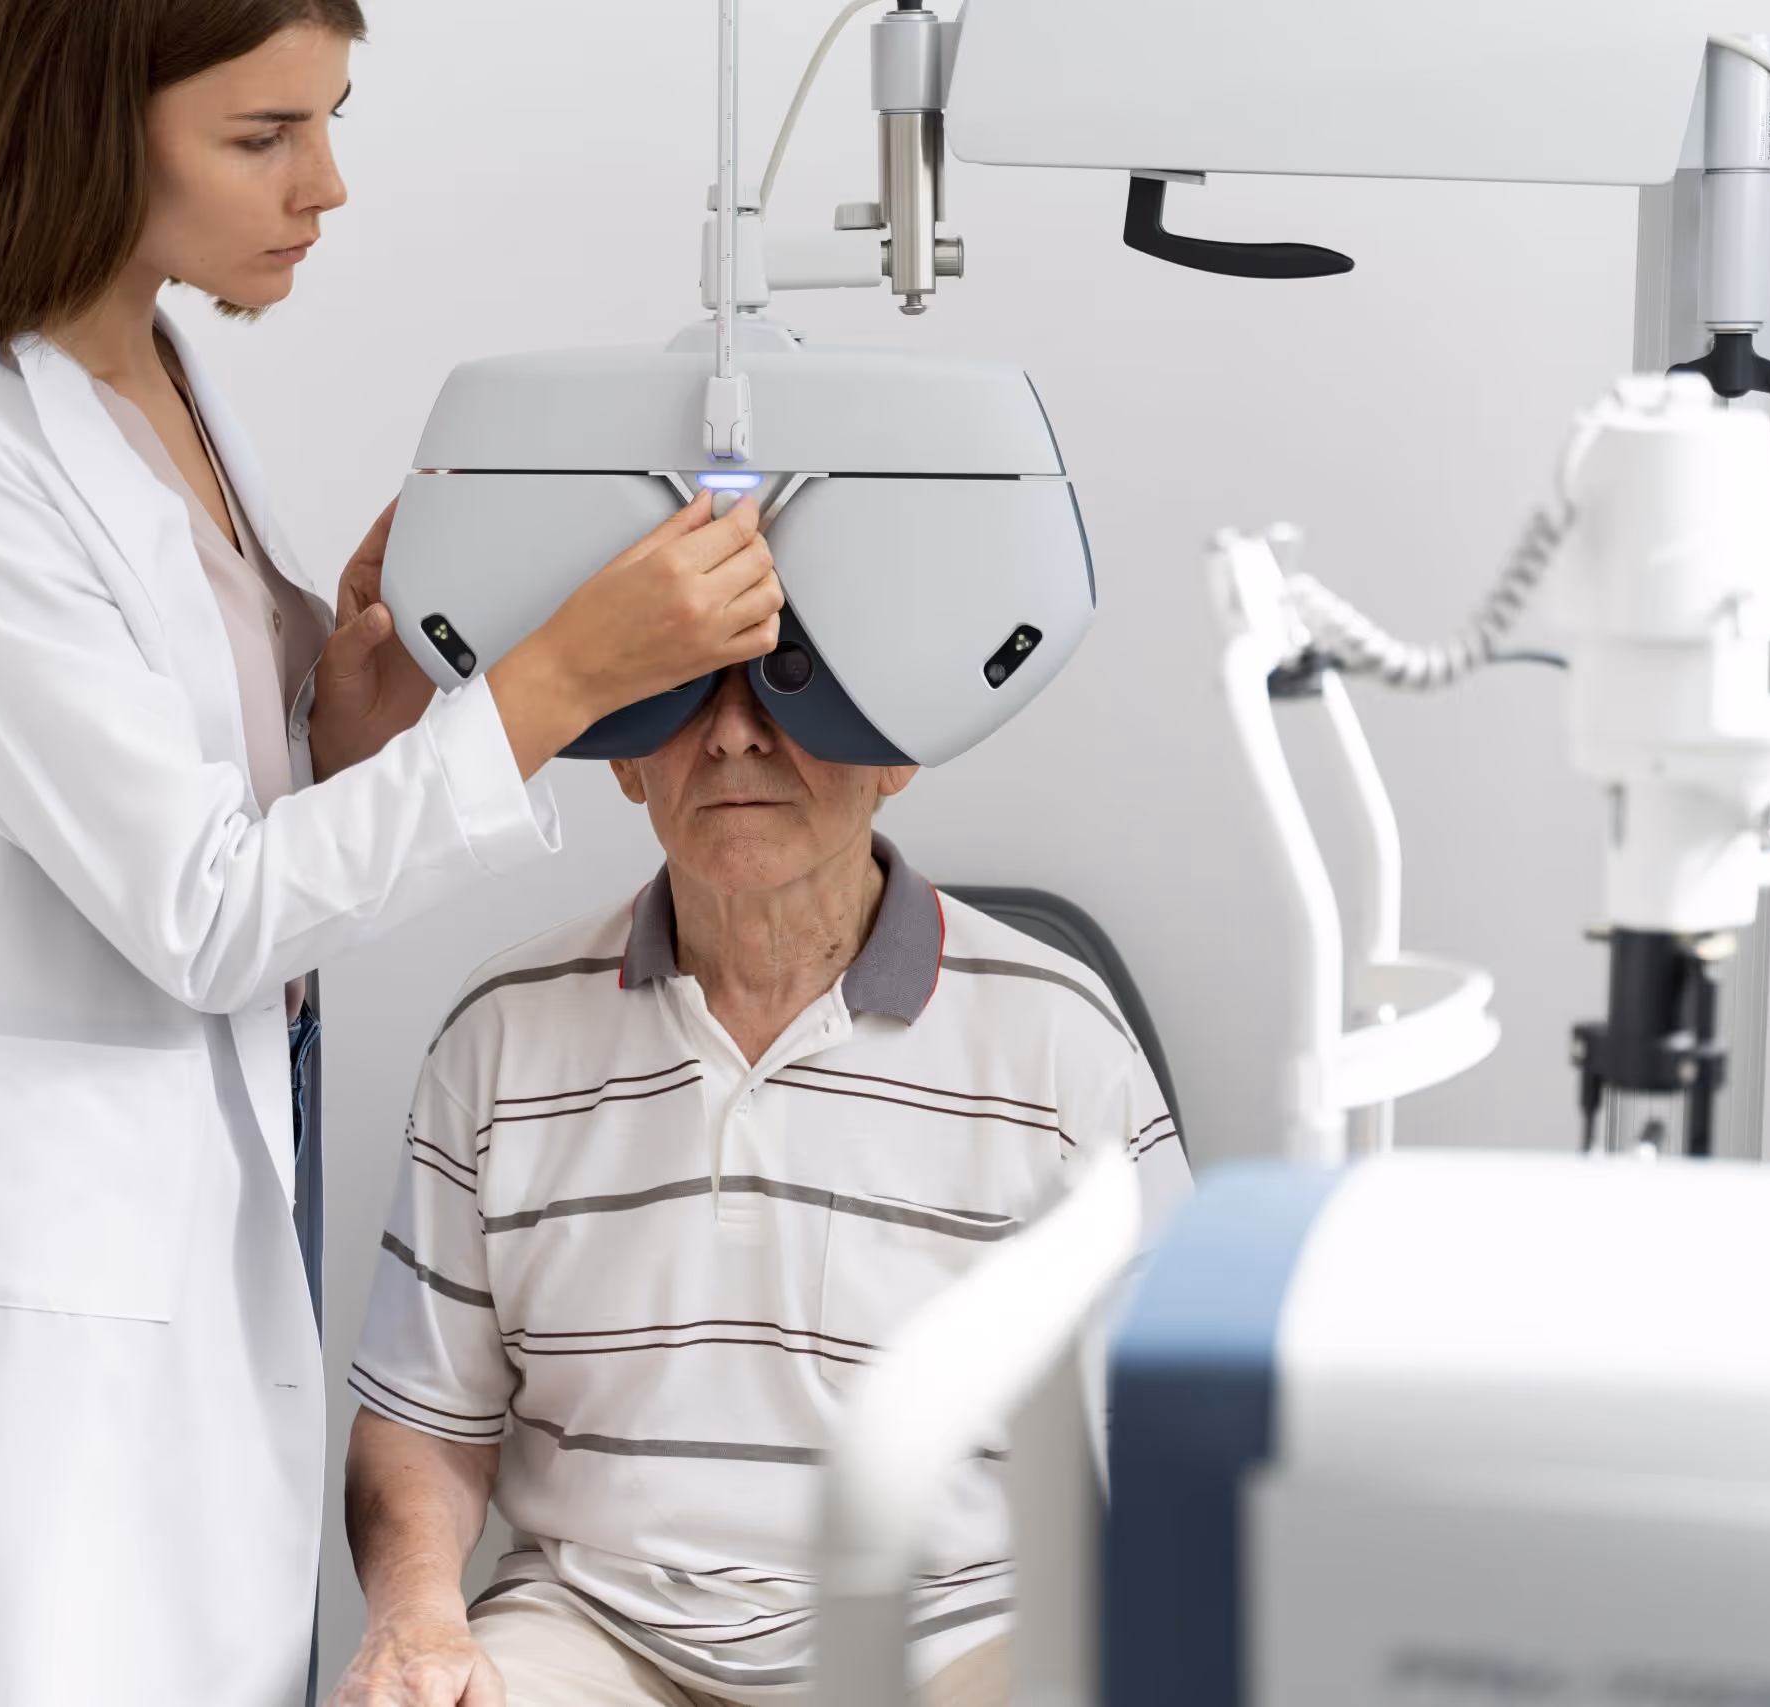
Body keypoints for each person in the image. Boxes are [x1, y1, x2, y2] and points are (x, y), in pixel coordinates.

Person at [0, 4, 783, 1703]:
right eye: (263, 136)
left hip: (208, 1166)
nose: (326, 184)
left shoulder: (158, 378)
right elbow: (202, 905)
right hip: (26, 1265)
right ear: (95, 126)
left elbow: (223, 795)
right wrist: (555, 686)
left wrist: (349, 704)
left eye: (329, 120)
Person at [334, 669, 1192, 1707]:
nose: (735, 734)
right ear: (625, 759)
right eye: (687, 684)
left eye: (792, 682)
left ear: (896, 751)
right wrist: (416, 1616)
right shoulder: (501, 1031)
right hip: (598, 1631)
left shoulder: (1059, 1035)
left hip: (957, 1632)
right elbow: (422, 1422)